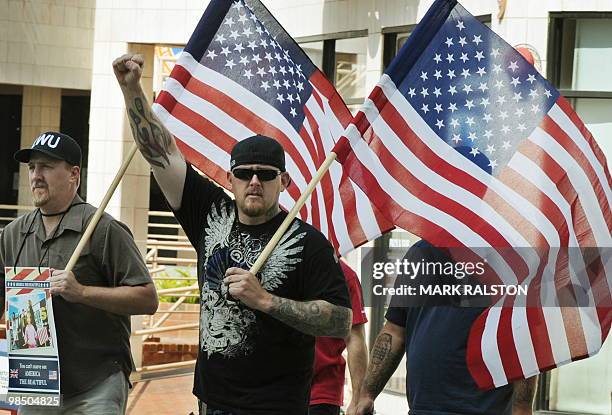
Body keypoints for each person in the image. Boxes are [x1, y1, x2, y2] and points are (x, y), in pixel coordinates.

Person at [113, 53, 353, 415]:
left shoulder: (306, 241)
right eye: (244, 173)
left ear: (284, 182)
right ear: (230, 179)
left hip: (279, 406)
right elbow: (159, 152)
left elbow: (340, 319)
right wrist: (131, 88)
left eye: (266, 174)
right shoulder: (209, 213)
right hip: (212, 401)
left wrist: (266, 301)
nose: (254, 181)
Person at [0, 131, 159, 414]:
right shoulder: (13, 234)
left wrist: (82, 292)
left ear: (74, 174)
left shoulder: (103, 229)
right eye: (32, 167)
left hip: (97, 383)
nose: (36, 175)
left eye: (47, 167)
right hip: (35, 379)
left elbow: (147, 299)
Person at [354, 240, 537, 415]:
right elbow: (395, 330)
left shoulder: (507, 259)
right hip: (423, 407)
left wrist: (522, 407)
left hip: (483, 407)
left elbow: (522, 335)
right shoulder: (420, 253)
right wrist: (367, 394)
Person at [310, 260, 368, 415]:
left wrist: (357, 399)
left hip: (321, 393)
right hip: (271, 389)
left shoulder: (344, 275)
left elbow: (355, 337)